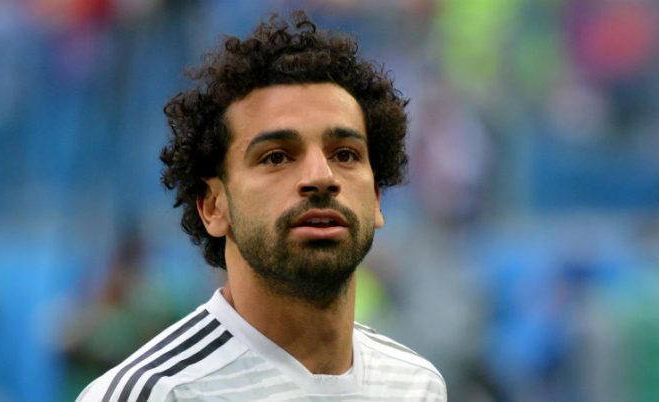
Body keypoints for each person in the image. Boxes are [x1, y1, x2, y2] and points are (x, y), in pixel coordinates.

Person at [77, 10, 447, 402]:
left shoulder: (417, 386)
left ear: (375, 198)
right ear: (213, 206)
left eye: (345, 154)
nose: (321, 177)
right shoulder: (154, 393)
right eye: (276, 157)